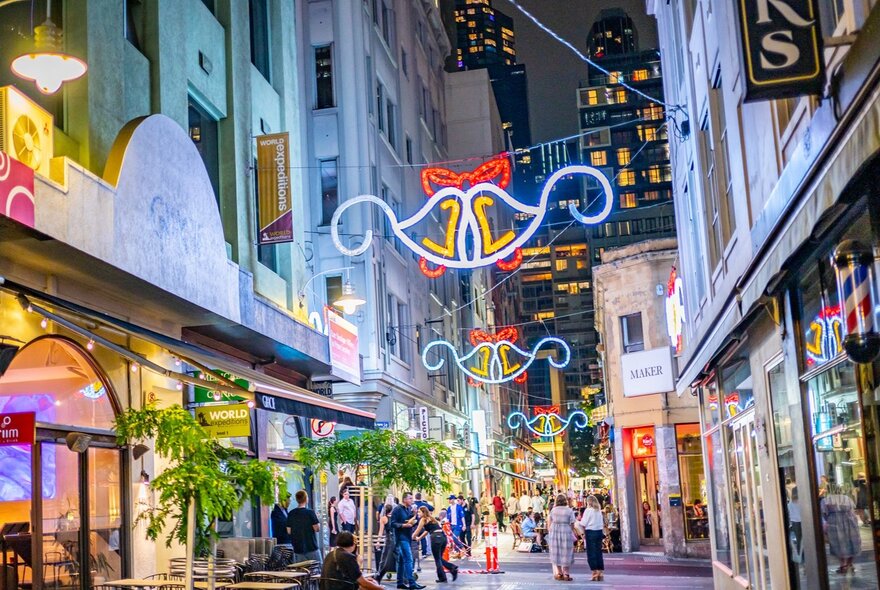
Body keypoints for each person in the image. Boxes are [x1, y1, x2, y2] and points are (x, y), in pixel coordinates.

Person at [414, 506, 459, 583]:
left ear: (423, 512)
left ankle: (445, 575)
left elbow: (417, 530)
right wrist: (419, 538)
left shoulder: (423, 519)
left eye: (419, 512)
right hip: (442, 537)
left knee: (437, 559)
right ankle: (452, 569)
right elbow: (427, 531)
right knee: (439, 558)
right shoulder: (432, 518)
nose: (418, 513)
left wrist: (413, 536)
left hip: (436, 539)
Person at [822, 487, 861, 574]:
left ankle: (843, 564)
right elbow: (852, 511)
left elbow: (824, 513)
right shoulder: (847, 498)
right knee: (852, 542)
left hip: (834, 522)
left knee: (838, 543)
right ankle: (850, 564)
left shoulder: (826, 500)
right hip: (849, 521)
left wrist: (828, 521)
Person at [390, 492, 424, 590]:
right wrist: (403, 525)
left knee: (401, 561)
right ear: (404, 499)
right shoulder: (397, 509)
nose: (411, 500)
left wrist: (413, 515)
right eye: (410, 498)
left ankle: (400, 582)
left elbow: (409, 520)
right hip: (401, 538)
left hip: (407, 536)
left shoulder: (408, 509)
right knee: (408, 559)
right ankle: (412, 583)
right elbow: (392, 523)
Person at [547, 493, 577, 581]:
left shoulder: (553, 510)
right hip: (565, 531)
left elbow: (550, 521)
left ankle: (559, 573)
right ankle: (566, 574)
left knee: (556, 552)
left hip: (555, 531)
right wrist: (569, 530)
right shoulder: (569, 510)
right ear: (565, 501)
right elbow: (572, 523)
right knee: (566, 552)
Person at [286, 490, 321, 562]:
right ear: (306, 499)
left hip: (297, 549)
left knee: (301, 571)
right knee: (317, 569)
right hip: (311, 547)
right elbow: (317, 529)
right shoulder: (310, 512)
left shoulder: (291, 513)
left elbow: (289, 531)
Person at [580, 495, 605, 581]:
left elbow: (584, 522)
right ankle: (600, 572)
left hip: (590, 531)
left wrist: (579, 523)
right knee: (598, 551)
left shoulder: (588, 510)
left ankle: (594, 572)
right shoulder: (598, 511)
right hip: (599, 531)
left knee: (591, 552)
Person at [373, 504, 396, 583]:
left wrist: (378, 541)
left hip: (389, 540)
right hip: (397, 539)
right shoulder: (395, 518)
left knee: (384, 558)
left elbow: (381, 531)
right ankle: (404, 577)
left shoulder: (383, 518)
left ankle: (379, 575)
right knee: (399, 558)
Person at [413, 493, 434, 558]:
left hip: (415, 523)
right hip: (424, 524)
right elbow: (432, 508)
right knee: (423, 539)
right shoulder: (424, 504)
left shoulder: (412, 504)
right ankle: (424, 553)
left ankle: (415, 553)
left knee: (415, 537)